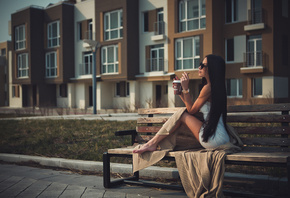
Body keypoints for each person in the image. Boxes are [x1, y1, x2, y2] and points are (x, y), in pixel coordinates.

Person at [133, 54, 230, 154]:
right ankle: (152, 143)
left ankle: (152, 143)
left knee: (181, 114)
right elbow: (191, 107)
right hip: (221, 137)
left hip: (214, 139)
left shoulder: (207, 88)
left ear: (212, 69)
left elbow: (191, 110)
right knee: (182, 114)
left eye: (203, 65)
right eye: (200, 64)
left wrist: (185, 89)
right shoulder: (216, 87)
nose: (199, 67)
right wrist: (180, 92)